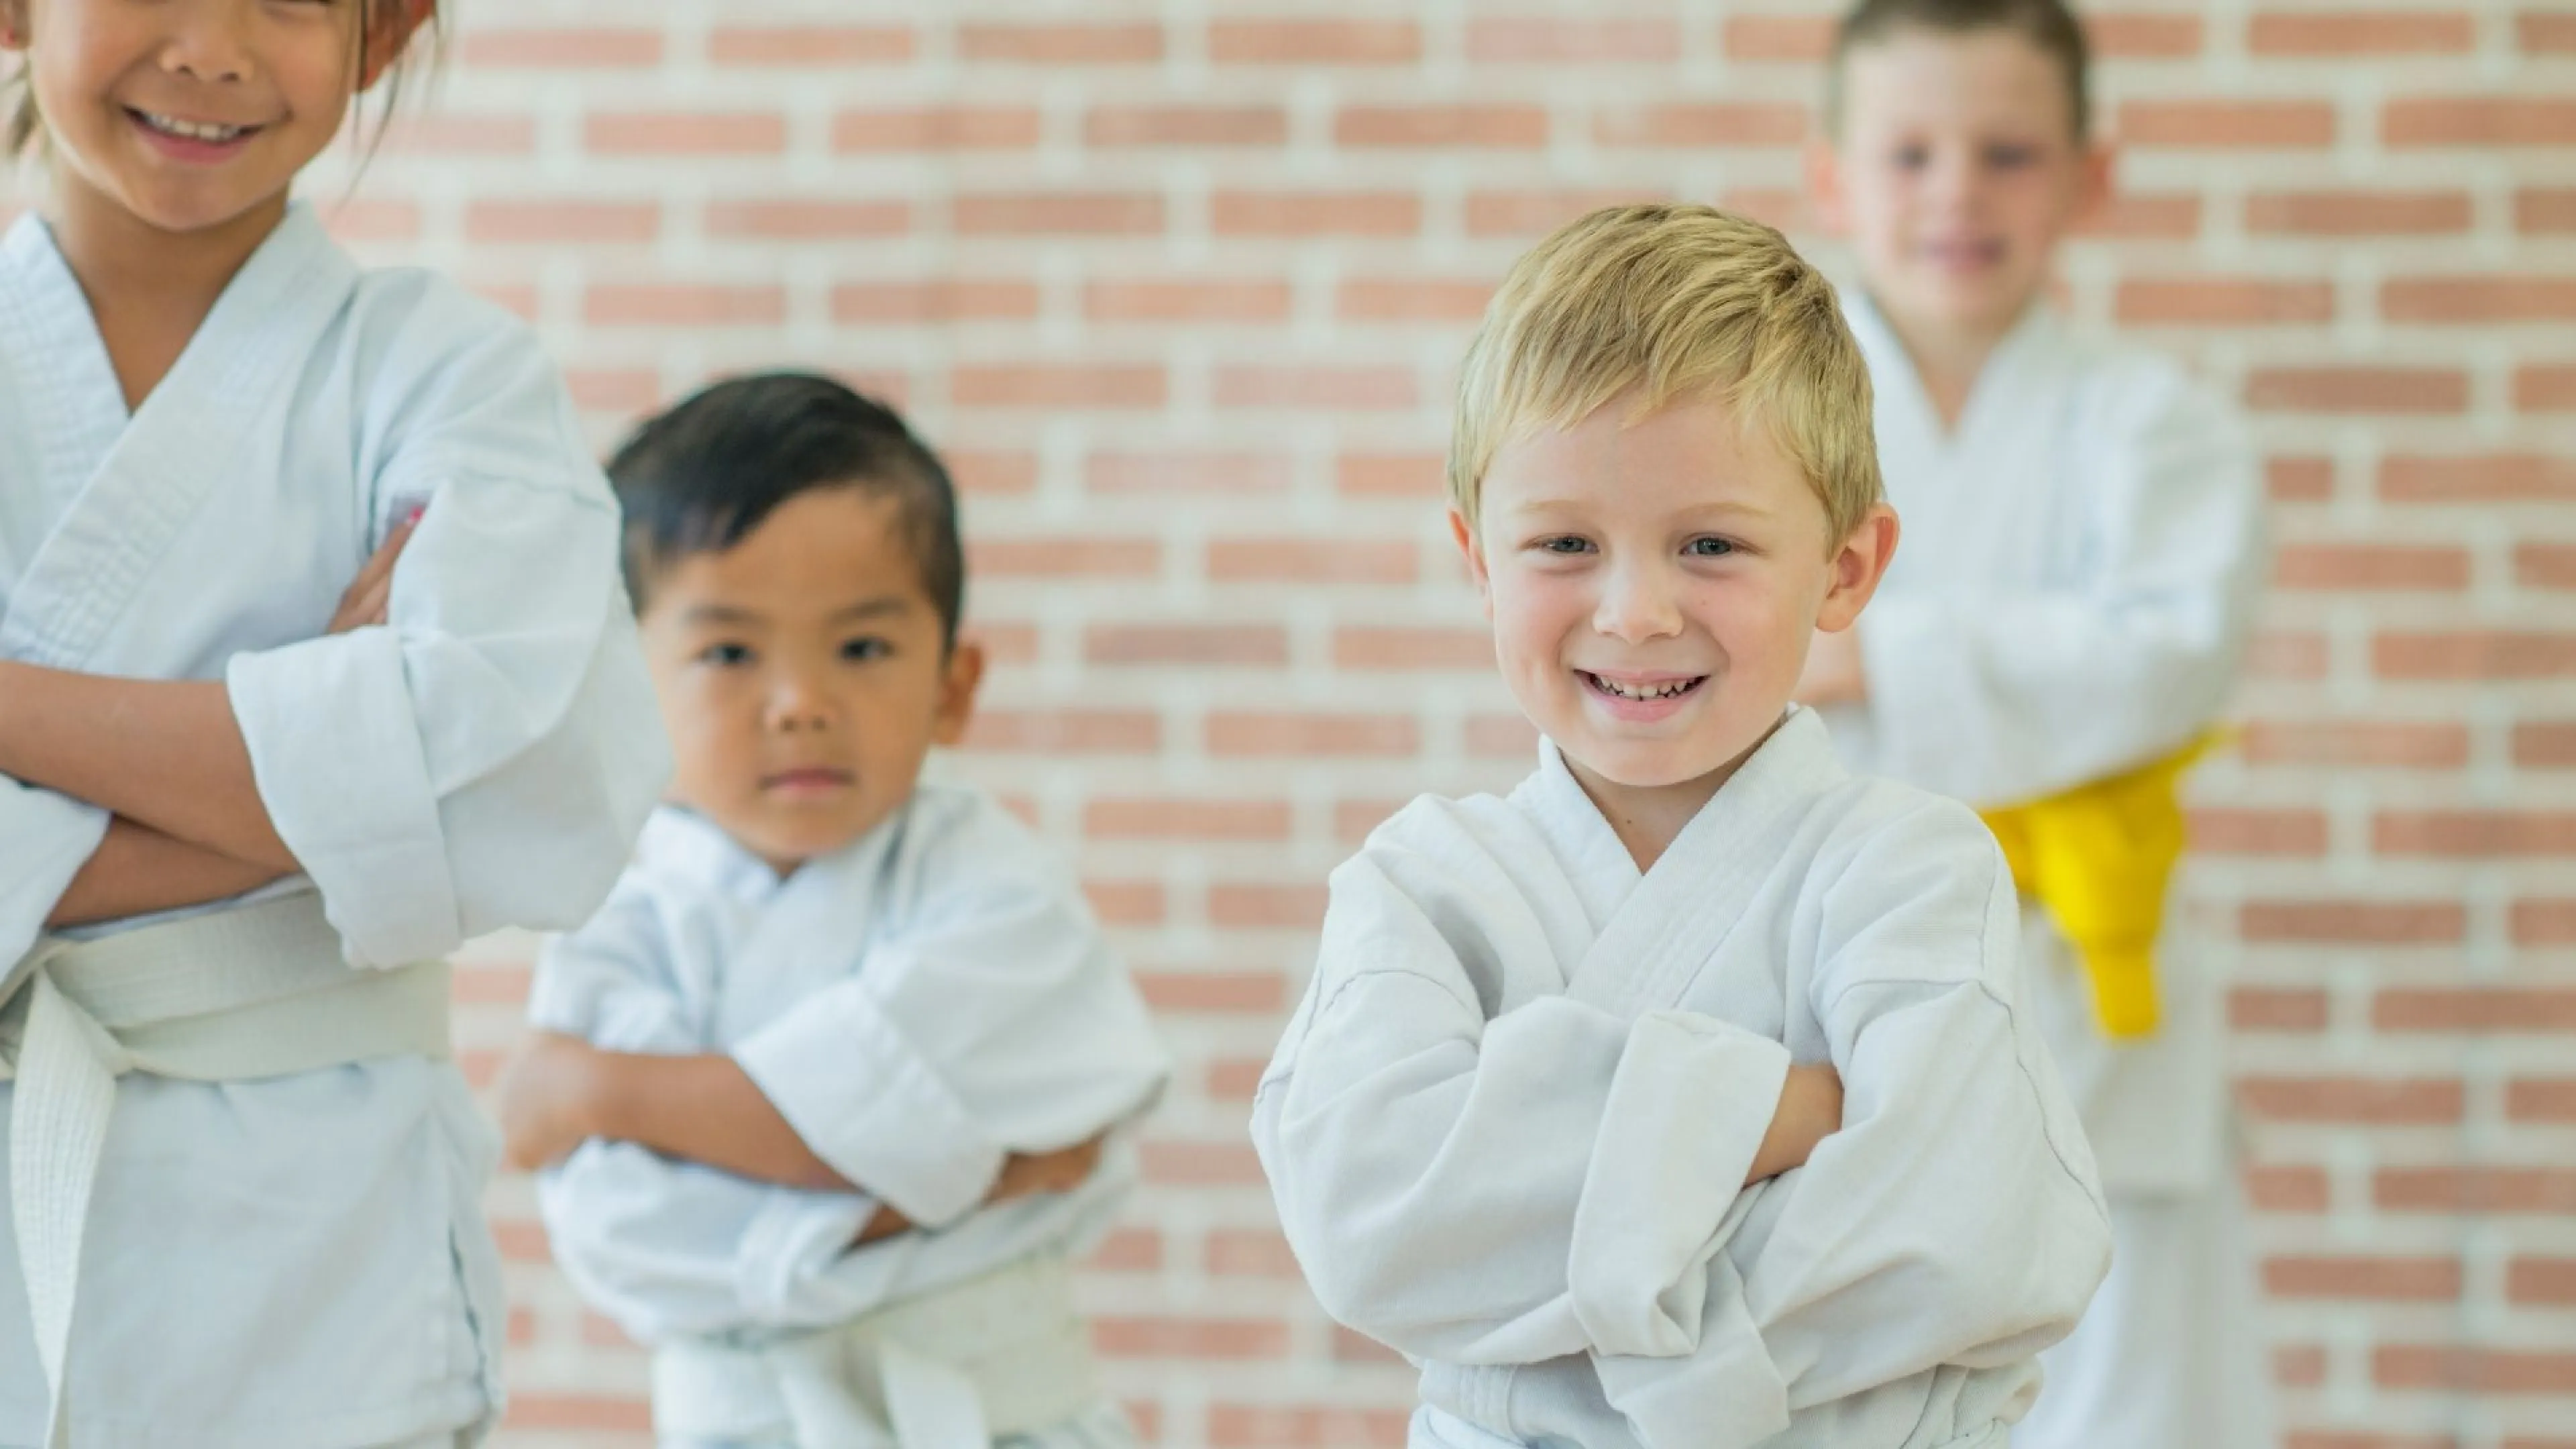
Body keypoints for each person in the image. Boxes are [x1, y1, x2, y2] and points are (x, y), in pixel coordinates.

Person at [1252, 202, 2110, 1449]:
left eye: (1710, 543)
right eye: (1563, 544)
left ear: (1846, 569)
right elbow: (1367, 1225)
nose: (1637, 610)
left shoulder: (1911, 869)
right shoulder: (1420, 888)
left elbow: (1962, 1238)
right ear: (1478, 560)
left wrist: (1546, 1267)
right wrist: (1786, 1114)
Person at [0, 0, 669, 1442]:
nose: (212, 48)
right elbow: (413, 786)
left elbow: (512, 785)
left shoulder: (454, 379)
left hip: (319, 1259)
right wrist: (318, 775)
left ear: (386, 35)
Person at [495, 374, 1171, 1449]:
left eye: (861, 647)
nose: (800, 701)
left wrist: (598, 1087)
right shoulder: (619, 912)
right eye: (728, 652)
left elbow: (977, 1124)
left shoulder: (998, 888)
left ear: (954, 686)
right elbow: (630, 1236)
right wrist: (952, 1183)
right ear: (626, 688)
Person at [1801, 3, 2272, 1444]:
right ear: (1832, 180)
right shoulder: (1766, 419)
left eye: (2008, 154)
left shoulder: (2154, 424)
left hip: (2084, 980)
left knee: (2124, 1385)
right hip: (1831, 964)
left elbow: (2167, 659)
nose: (1957, 193)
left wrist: (1878, 660)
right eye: (1912, 153)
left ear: (2089, 177)